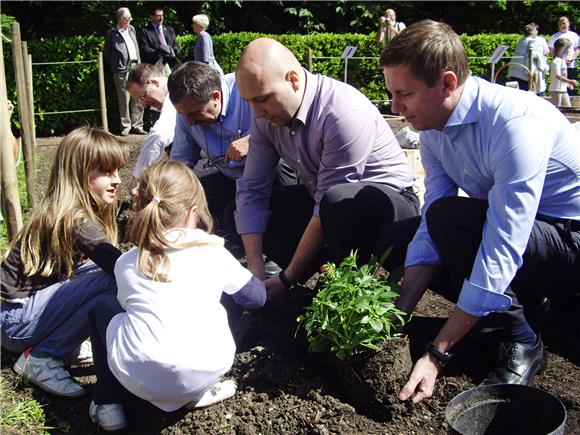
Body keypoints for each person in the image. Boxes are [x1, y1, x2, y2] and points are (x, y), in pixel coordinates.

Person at [376, 19, 579, 404]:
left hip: (571, 238)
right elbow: (432, 215)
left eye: (404, 94)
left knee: (451, 221)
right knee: (401, 237)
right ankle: (518, 306)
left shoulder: (516, 124)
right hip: (532, 235)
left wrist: (437, 354)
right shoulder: (434, 125)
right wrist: (397, 316)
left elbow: (502, 246)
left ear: (448, 83)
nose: (395, 107)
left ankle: (521, 339)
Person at [87, 160, 266, 431]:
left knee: (102, 307)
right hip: (208, 366)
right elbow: (256, 298)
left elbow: (127, 310)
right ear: (192, 211)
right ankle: (198, 390)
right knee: (221, 296)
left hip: (139, 376)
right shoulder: (213, 252)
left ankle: (107, 403)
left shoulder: (126, 262)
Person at [234, 38, 418, 302]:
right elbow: (252, 190)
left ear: (293, 80)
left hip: (389, 209)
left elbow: (329, 204)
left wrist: (287, 279)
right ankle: (319, 270)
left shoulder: (341, 112)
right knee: (238, 209)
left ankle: (339, 280)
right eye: (249, 101)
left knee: (338, 201)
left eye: (262, 99)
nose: (256, 112)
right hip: (329, 205)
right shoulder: (265, 119)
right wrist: (255, 271)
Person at [1, 127, 126, 398]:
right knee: (111, 277)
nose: (116, 180)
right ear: (78, 174)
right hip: (14, 321)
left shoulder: (71, 213)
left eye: (117, 171)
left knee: (102, 275)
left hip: (27, 315)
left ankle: (62, 344)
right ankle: (43, 356)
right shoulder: (74, 219)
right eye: (106, 172)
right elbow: (118, 265)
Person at [126, 63, 177, 195]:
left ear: (154, 82)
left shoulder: (175, 92)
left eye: (142, 96)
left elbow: (160, 135)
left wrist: (137, 179)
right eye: (138, 101)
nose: (143, 104)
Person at [104, 7, 146, 136]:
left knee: (138, 96)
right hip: (121, 70)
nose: (130, 20)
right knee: (124, 98)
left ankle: (137, 125)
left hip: (135, 66)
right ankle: (126, 126)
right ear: (121, 19)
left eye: (130, 17)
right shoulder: (112, 33)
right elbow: (107, 53)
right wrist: (117, 65)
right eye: (128, 18)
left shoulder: (132, 29)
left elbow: (136, 47)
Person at [506, 23, 549, 95]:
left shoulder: (521, 41)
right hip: (526, 73)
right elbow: (534, 56)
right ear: (534, 31)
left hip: (516, 72)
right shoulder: (533, 41)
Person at [139, 6, 180, 75]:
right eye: (158, 16)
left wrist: (173, 51)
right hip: (155, 65)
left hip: (171, 64)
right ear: (151, 17)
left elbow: (176, 44)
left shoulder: (169, 29)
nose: (161, 18)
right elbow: (144, 49)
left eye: (162, 15)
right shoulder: (145, 31)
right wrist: (158, 51)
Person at [549, 16, 579, 96]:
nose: (562, 26)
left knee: (571, 87)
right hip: (559, 66)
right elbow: (551, 51)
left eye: (563, 23)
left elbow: (577, 49)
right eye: (560, 24)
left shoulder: (574, 35)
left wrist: (573, 58)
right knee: (561, 85)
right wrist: (559, 60)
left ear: (568, 24)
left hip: (571, 66)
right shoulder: (554, 37)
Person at [549, 38, 578, 107]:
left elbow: (563, 75)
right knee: (558, 110)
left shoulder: (562, 61)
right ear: (560, 48)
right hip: (556, 91)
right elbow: (557, 76)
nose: (568, 51)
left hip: (563, 90)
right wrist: (569, 81)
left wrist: (568, 84)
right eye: (567, 48)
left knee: (568, 108)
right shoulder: (556, 61)